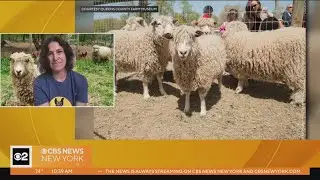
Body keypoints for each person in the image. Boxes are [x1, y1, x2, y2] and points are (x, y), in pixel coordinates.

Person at [33, 36, 88, 106]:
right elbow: (45, 115)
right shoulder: (39, 83)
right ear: (46, 58)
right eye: (50, 54)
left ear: (66, 54)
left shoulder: (80, 81)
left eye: (59, 52)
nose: (55, 58)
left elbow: (79, 115)